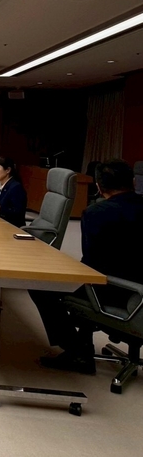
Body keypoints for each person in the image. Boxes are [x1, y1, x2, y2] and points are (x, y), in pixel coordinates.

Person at [29, 160, 143, 374]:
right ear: (134, 182)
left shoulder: (96, 213)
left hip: (113, 291)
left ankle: (77, 352)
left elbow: (92, 264)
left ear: (98, 186)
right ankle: (82, 347)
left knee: (40, 286)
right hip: (138, 290)